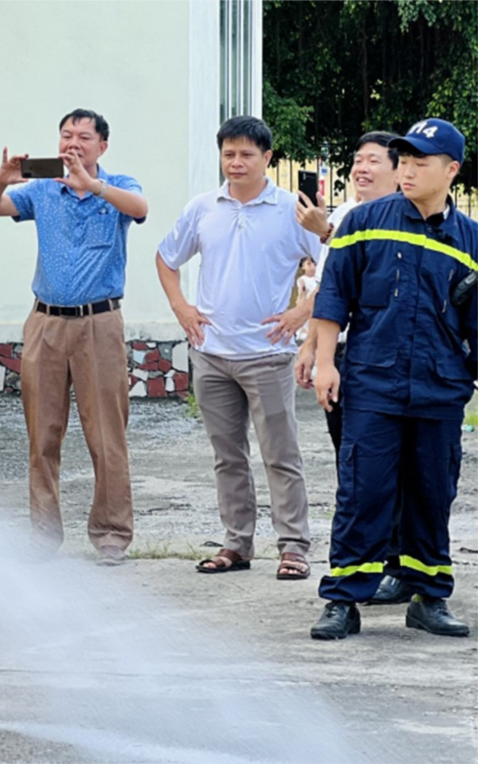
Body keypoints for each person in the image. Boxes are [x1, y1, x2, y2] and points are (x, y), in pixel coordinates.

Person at [309, 119, 478, 640]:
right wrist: (324, 363)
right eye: (402, 160)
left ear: (450, 171)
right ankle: (343, 598)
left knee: (433, 491)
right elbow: (333, 295)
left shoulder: (470, 239)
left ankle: (427, 595)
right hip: (372, 383)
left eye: (420, 162)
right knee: (364, 490)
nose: (406, 170)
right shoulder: (364, 222)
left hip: (440, 385)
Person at [0, 108, 146, 565]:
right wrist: (3, 177)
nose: (73, 142)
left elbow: (141, 210)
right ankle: (43, 534)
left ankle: (111, 534)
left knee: (107, 434)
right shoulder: (42, 191)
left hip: (99, 323)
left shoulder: (120, 186)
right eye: (66, 134)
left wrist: (93, 186)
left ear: (102, 146)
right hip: (46, 322)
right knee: (43, 433)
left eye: (84, 136)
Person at [156, 116, 318, 580]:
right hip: (212, 352)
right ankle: (236, 544)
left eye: (247, 154)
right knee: (227, 456)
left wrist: (299, 314)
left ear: (267, 158)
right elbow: (166, 260)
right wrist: (182, 309)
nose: (236, 162)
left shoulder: (292, 210)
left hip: (267, 355)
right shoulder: (204, 208)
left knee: (280, 456)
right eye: (229, 154)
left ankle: (293, 547)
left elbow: (337, 263)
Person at [292, 132, 407, 605]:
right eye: (357, 160)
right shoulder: (343, 215)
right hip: (342, 356)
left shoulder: (409, 218)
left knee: (395, 467)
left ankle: (401, 565)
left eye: (373, 161)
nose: (361, 169)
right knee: (354, 466)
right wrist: (313, 351)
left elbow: (373, 277)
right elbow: (329, 291)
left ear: (399, 171)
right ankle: (369, 563)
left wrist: (324, 233)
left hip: (386, 358)